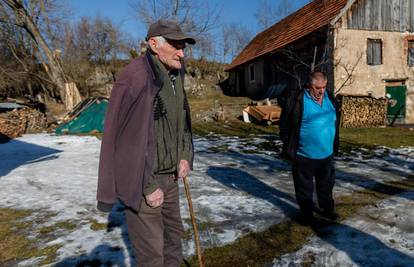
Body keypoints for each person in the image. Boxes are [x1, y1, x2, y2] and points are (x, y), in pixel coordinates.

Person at [96, 19, 196, 267]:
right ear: (154, 44)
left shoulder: (175, 73)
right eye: (175, 45)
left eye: (183, 46)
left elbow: (181, 120)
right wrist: (148, 185)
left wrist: (184, 154)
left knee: (174, 239)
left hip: (171, 176)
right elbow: (123, 140)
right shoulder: (135, 78)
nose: (182, 53)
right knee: (152, 255)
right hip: (143, 181)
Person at [280, 71, 340, 224]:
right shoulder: (297, 101)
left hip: (327, 154)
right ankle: (307, 215)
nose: (321, 91)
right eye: (317, 87)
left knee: (326, 186)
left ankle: (328, 209)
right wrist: (289, 147)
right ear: (309, 86)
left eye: (324, 87)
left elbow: (334, 123)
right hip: (304, 155)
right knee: (304, 189)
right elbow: (285, 126)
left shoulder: (330, 99)